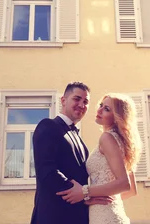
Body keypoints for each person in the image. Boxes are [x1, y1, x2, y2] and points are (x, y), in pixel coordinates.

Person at [31, 82, 111, 224]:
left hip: (78, 217)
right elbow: (47, 170)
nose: (81, 105)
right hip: (53, 216)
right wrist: (85, 195)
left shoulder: (80, 140)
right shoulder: (48, 125)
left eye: (85, 102)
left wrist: (88, 195)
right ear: (63, 100)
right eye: (77, 99)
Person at [57, 93, 141, 224]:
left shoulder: (107, 138)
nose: (100, 110)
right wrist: (94, 199)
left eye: (107, 109)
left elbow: (125, 184)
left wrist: (85, 192)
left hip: (104, 216)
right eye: (101, 105)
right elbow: (131, 191)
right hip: (110, 212)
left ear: (117, 117)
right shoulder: (121, 142)